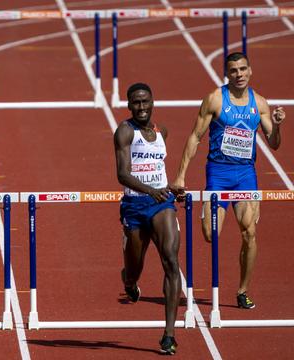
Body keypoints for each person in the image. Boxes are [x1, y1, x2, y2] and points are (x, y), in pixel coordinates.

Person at [173, 52, 286, 310]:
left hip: (246, 175)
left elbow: (274, 144)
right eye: (234, 70)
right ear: (227, 73)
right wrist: (180, 174)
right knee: (210, 235)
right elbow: (194, 137)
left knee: (250, 233)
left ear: (250, 71)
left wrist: (277, 126)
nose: (239, 75)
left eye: (243, 69)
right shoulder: (214, 99)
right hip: (218, 173)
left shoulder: (260, 103)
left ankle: (243, 290)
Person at [114, 83, 182, 355]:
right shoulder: (124, 132)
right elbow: (122, 174)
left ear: (153, 102)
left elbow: (160, 167)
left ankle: (169, 334)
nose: (141, 107)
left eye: (145, 102)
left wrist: (169, 189)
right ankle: (129, 283)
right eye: (136, 103)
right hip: (135, 204)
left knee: (171, 260)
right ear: (129, 106)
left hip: (161, 203)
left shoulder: (161, 131)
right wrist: (150, 190)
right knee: (134, 269)